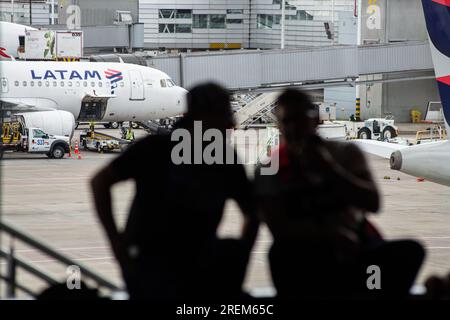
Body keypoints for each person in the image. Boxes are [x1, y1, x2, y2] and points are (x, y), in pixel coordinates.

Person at [91, 82, 258, 300]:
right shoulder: (219, 158)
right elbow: (252, 213)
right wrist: (240, 254)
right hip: (164, 268)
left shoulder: (156, 148)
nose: (231, 122)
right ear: (202, 116)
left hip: (168, 265)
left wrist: (116, 242)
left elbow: (100, 182)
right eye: (224, 114)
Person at [254, 88, 424, 299]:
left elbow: (373, 203)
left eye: (300, 118)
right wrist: (329, 238)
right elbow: (277, 226)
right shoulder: (270, 167)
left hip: (354, 243)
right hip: (305, 250)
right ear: (279, 125)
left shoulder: (345, 153)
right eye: (288, 121)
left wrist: (329, 170)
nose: (294, 127)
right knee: (280, 255)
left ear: (316, 119)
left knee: (411, 251)